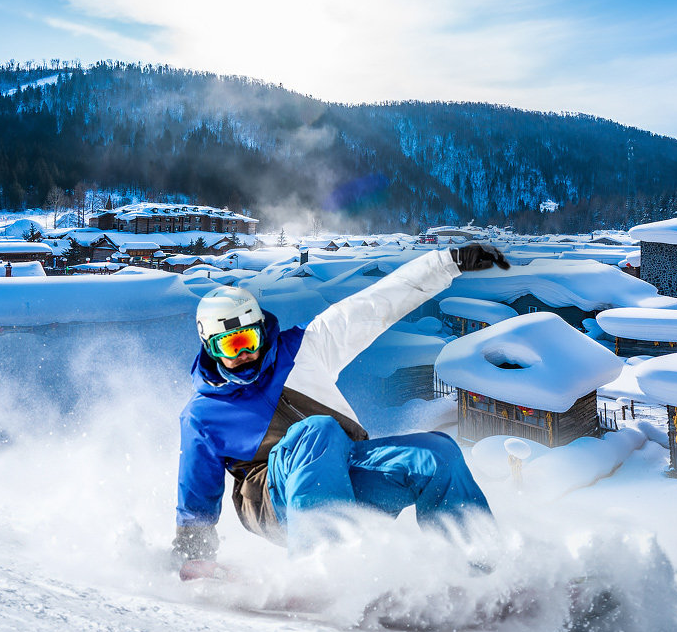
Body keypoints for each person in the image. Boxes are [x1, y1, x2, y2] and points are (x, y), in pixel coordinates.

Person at [173, 244, 509, 579]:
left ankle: (481, 574)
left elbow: (373, 305)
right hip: (275, 501)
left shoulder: (304, 347)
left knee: (438, 452)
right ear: (211, 347)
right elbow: (196, 491)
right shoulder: (204, 413)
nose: (246, 352)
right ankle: (324, 574)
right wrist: (194, 556)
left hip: (344, 472)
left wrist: (447, 262)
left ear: (262, 330)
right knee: (318, 430)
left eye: (249, 337)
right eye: (232, 345)